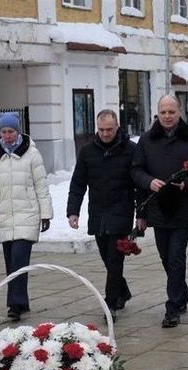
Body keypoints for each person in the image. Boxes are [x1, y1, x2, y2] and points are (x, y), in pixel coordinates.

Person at [131, 95, 188, 328]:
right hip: (157, 207)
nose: (167, 116)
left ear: (179, 113)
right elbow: (136, 171)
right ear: (157, 114)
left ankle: (173, 307)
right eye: (163, 112)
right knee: (166, 256)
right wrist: (149, 182)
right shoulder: (146, 140)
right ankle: (182, 292)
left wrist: (187, 183)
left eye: (171, 112)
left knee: (176, 256)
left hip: (182, 207)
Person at [0, 112, 53, 321]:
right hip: (5, 216)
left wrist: (46, 214)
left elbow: (41, 186)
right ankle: (22, 301)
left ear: (18, 131)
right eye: (4, 131)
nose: (7, 136)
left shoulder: (32, 154)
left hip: (27, 214)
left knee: (19, 260)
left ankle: (15, 305)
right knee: (11, 263)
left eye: (11, 131)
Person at [67, 109, 139, 323]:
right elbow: (78, 182)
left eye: (110, 129)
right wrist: (73, 210)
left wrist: (142, 213)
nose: (106, 134)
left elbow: (138, 183)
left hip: (121, 212)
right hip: (98, 213)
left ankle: (110, 303)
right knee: (108, 259)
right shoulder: (88, 151)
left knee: (115, 260)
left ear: (117, 127)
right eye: (101, 130)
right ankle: (122, 291)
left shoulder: (131, 150)